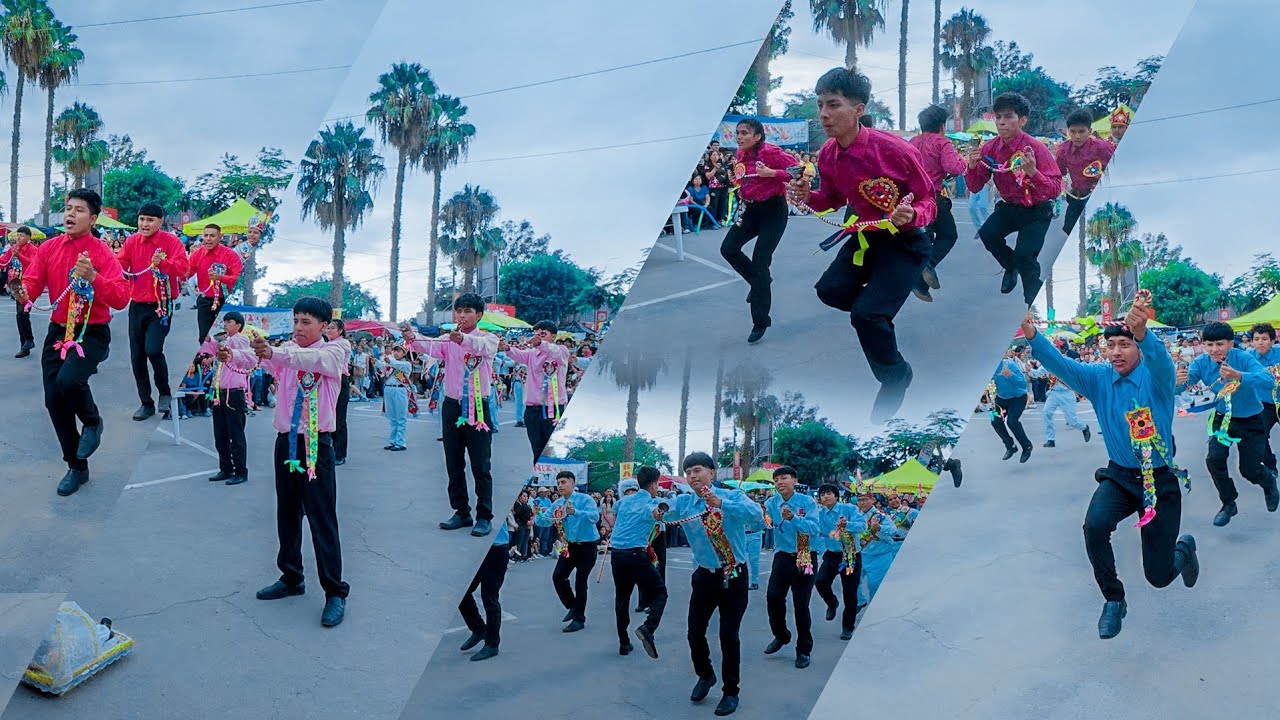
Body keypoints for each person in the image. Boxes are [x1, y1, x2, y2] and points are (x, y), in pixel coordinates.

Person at [1024, 298, 1199, 639]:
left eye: (1125, 344)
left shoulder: (1156, 380)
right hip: (1119, 476)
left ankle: (1185, 550)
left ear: (1137, 347)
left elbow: (1162, 361)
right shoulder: (1099, 379)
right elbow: (1060, 365)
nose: (1116, 352)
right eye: (1111, 346)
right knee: (1094, 525)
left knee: (1159, 577)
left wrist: (1144, 333)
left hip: (1158, 482)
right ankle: (1114, 600)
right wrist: (1031, 333)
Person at [787, 68, 936, 422]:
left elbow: (930, 202)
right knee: (830, 292)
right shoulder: (827, 154)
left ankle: (896, 375)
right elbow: (832, 199)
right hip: (864, 236)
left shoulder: (894, 150)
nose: (823, 113)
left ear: (858, 109)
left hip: (904, 241)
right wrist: (809, 196)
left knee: (866, 315)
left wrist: (910, 214)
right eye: (820, 104)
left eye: (833, 105)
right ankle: (883, 305)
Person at [14, 189, 130, 496]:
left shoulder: (103, 253)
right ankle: (76, 467)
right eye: (68, 208)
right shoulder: (49, 247)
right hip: (58, 331)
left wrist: (93, 276)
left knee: (69, 380)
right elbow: (34, 281)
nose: (70, 214)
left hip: (92, 332)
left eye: (79, 210)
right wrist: (23, 291)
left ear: (92, 219)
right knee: (53, 400)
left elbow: (121, 298)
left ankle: (93, 423)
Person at [251, 297, 349, 628]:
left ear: (325, 326)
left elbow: (307, 359)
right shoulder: (286, 351)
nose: (298, 327)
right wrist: (233, 354)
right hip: (286, 443)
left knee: (322, 519)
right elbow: (258, 361)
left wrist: (275, 352)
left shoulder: (335, 351)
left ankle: (335, 592)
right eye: (296, 321)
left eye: (306, 321)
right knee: (287, 514)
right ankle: (291, 577)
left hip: (316, 445)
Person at [658, 452, 763, 717]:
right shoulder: (685, 502)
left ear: (712, 473)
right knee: (694, 631)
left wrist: (722, 504)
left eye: (698, 470)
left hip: (734, 574)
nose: (692, 476)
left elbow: (756, 516)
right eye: (688, 472)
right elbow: (663, 509)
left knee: (728, 636)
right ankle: (705, 675)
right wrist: (656, 511)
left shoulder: (732, 497)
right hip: (704, 576)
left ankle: (731, 691)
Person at [403, 293, 500, 536]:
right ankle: (461, 511)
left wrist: (463, 339)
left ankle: (484, 515)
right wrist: (411, 337)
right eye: (459, 311)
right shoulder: (448, 340)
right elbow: (430, 345)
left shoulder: (489, 339)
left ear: (479, 315)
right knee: (453, 462)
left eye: (468, 311)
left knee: (481, 464)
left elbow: (480, 347)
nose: (462, 315)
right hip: (453, 405)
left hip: (478, 406)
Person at [964, 92, 1063, 306]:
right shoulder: (989, 149)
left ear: (1022, 120)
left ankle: (1031, 302)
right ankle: (1010, 265)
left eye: (1008, 116)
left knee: (1026, 256)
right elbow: (974, 186)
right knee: (988, 233)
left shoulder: (1037, 149)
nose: (1001, 122)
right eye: (998, 117)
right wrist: (971, 167)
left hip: (1037, 210)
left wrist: (1034, 172)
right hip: (1009, 207)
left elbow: (1055, 189)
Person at [1177, 321, 1278, 526]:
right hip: (1223, 419)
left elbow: (1269, 381)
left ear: (1231, 344)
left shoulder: (1243, 358)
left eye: (1220, 344)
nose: (1214, 349)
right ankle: (1229, 503)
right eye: (1209, 344)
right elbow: (1181, 387)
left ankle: (1269, 483)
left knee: (1248, 470)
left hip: (1251, 420)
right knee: (1214, 459)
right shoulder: (1200, 363)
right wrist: (1176, 383)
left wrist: (1239, 376)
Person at [719, 118, 794, 344]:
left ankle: (760, 321)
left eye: (744, 133)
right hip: (750, 211)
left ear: (758, 136)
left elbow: (797, 171)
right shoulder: (740, 155)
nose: (739, 137)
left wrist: (771, 173)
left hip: (773, 211)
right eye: (737, 133)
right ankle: (759, 283)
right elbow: (743, 179)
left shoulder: (772, 152)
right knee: (728, 248)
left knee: (760, 262)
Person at [117, 203, 189, 421]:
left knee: (153, 349)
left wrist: (164, 263)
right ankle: (145, 402)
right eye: (142, 219)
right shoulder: (131, 241)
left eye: (150, 220)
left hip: (162, 304)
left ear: (160, 221)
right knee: (137, 357)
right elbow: (120, 262)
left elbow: (183, 269)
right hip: (137, 305)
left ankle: (165, 392)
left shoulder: (171, 242)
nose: (144, 224)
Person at [762, 467, 820, 669]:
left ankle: (804, 650)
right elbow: (763, 522)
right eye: (776, 480)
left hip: (804, 555)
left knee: (800, 604)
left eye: (784, 478)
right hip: (783, 556)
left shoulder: (807, 502)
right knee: (773, 597)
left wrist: (793, 518)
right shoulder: (770, 503)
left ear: (795, 480)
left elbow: (813, 529)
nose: (779, 482)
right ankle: (781, 635)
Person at [908, 105, 967, 302]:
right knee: (949, 235)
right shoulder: (942, 143)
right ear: (942, 126)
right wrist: (965, 163)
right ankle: (928, 264)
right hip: (932, 198)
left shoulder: (912, 142)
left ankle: (919, 283)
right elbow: (954, 168)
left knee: (926, 237)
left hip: (910, 200)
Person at [608, 468, 668, 658]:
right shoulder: (650, 503)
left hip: (617, 555)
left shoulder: (623, 501)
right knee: (660, 592)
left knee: (622, 598)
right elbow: (659, 510)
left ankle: (623, 643)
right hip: (635, 555)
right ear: (653, 485)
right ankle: (648, 627)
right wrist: (659, 512)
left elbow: (615, 509)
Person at [533, 470, 600, 632]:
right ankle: (572, 606)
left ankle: (579, 619)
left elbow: (594, 517)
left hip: (588, 545)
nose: (560, 486)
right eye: (558, 483)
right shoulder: (557, 504)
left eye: (564, 482)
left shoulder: (586, 499)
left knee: (580, 580)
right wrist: (538, 514)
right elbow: (546, 522)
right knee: (558, 576)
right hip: (569, 546)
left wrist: (575, 512)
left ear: (573, 483)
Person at [500, 322, 571, 460]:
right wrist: (507, 347)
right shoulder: (532, 354)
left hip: (554, 409)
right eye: (536, 334)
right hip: (533, 410)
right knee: (537, 449)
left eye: (543, 334)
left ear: (554, 336)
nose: (538, 337)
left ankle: (556, 479)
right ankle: (539, 477)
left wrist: (540, 344)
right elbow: (518, 354)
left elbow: (553, 352)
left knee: (553, 450)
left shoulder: (561, 351)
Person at [200, 312, 256, 485]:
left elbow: (229, 347)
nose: (225, 324)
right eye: (224, 321)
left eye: (229, 322)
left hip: (234, 393)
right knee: (220, 434)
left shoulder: (241, 340)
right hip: (219, 392)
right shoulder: (222, 341)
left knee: (236, 434)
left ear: (238, 325)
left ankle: (241, 471)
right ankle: (225, 468)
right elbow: (209, 349)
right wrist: (208, 340)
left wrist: (218, 341)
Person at [814, 483, 866, 641]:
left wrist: (846, 525)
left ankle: (848, 627)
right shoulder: (820, 513)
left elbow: (862, 526)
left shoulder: (849, 509)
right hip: (831, 555)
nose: (826, 497)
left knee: (850, 593)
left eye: (829, 493)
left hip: (850, 555)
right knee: (820, 582)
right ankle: (832, 602)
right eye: (822, 495)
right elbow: (817, 532)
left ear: (836, 496)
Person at [458, 520, 511, 662]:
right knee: (462, 593)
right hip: (477, 549)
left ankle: (492, 644)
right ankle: (479, 629)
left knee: (489, 597)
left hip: (495, 551)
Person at [1055, 109, 1115, 235]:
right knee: (1069, 228)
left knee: (1098, 232)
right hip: (1076, 196)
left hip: (1100, 198)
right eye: (1073, 131)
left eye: (1082, 131)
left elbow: (1115, 171)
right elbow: (1057, 173)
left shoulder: (1102, 148)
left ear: (1090, 131)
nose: (1077, 136)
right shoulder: (1063, 150)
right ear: (1068, 131)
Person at [187, 224, 243, 343]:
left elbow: (237, 278)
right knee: (204, 337)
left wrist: (221, 278)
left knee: (224, 338)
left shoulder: (230, 255)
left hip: (224, 301)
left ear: (220, 237)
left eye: (212, 236)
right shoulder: (198, 254)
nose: (208, 238)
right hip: (205, 300)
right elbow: (187, 272)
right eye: (206, 235)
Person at [990, 352, 1034, 463]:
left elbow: (1023, 383)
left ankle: (1027, 446)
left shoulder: (1009, 365)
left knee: (1012, 422)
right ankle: (1011, 446)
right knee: (994, 421)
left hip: (1018, 397)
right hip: (1001, 399)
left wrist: (1011, 376)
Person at [1, 226, 37, 357]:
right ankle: (26, 344)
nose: (18, 238)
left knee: (22, 313)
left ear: (28, 237)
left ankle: (28, 340)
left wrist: (19, 256)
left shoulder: (33, 250)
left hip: (29, 284)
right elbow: (4, 260)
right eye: (18, 235)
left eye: (22, 235)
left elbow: (33, 264)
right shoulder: (14, 248)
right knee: (20, 314)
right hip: (16, 285)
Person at [1249, 323, 1279, 474]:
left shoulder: (1279, 353)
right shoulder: (1248, 358)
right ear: (1252, 341)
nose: (1260, 342)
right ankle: (1270, 465)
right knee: (1260, 436)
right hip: (1264, 405)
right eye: (1257, 339)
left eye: (1265, 339)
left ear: (1273, 341)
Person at [1043, 363, 1092, 448]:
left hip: (1067, 393)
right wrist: (1030, 370)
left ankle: (1084, 427)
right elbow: (1037, 373)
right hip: (1054, 393)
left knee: (1072, 421)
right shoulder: (1047, 363)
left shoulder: (1066, 363)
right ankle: (1050, 439)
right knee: (1046, 412)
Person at [375, 343, 413, 452]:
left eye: (398, 351)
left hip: (400, 389)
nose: (396, 353)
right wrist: (375, 361)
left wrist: (389, 361)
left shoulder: (406, 364)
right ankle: (393, 441)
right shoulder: (391, 363)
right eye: (394, 351)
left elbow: (396, 365)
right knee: (392, 417)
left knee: (401, 417)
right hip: (388, 389)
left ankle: (400, 442)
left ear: (404, 353)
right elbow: (382, 366)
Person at [325, 319, 352, 466]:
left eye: (332, 328)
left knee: (339, 418)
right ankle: (330, 449)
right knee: (329, 415)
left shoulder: (342, 343)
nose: (328, 330)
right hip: (329, 379)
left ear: (340, 330)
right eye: (327, 328)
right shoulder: (327, 343)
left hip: (341, 380)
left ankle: (340, 453)